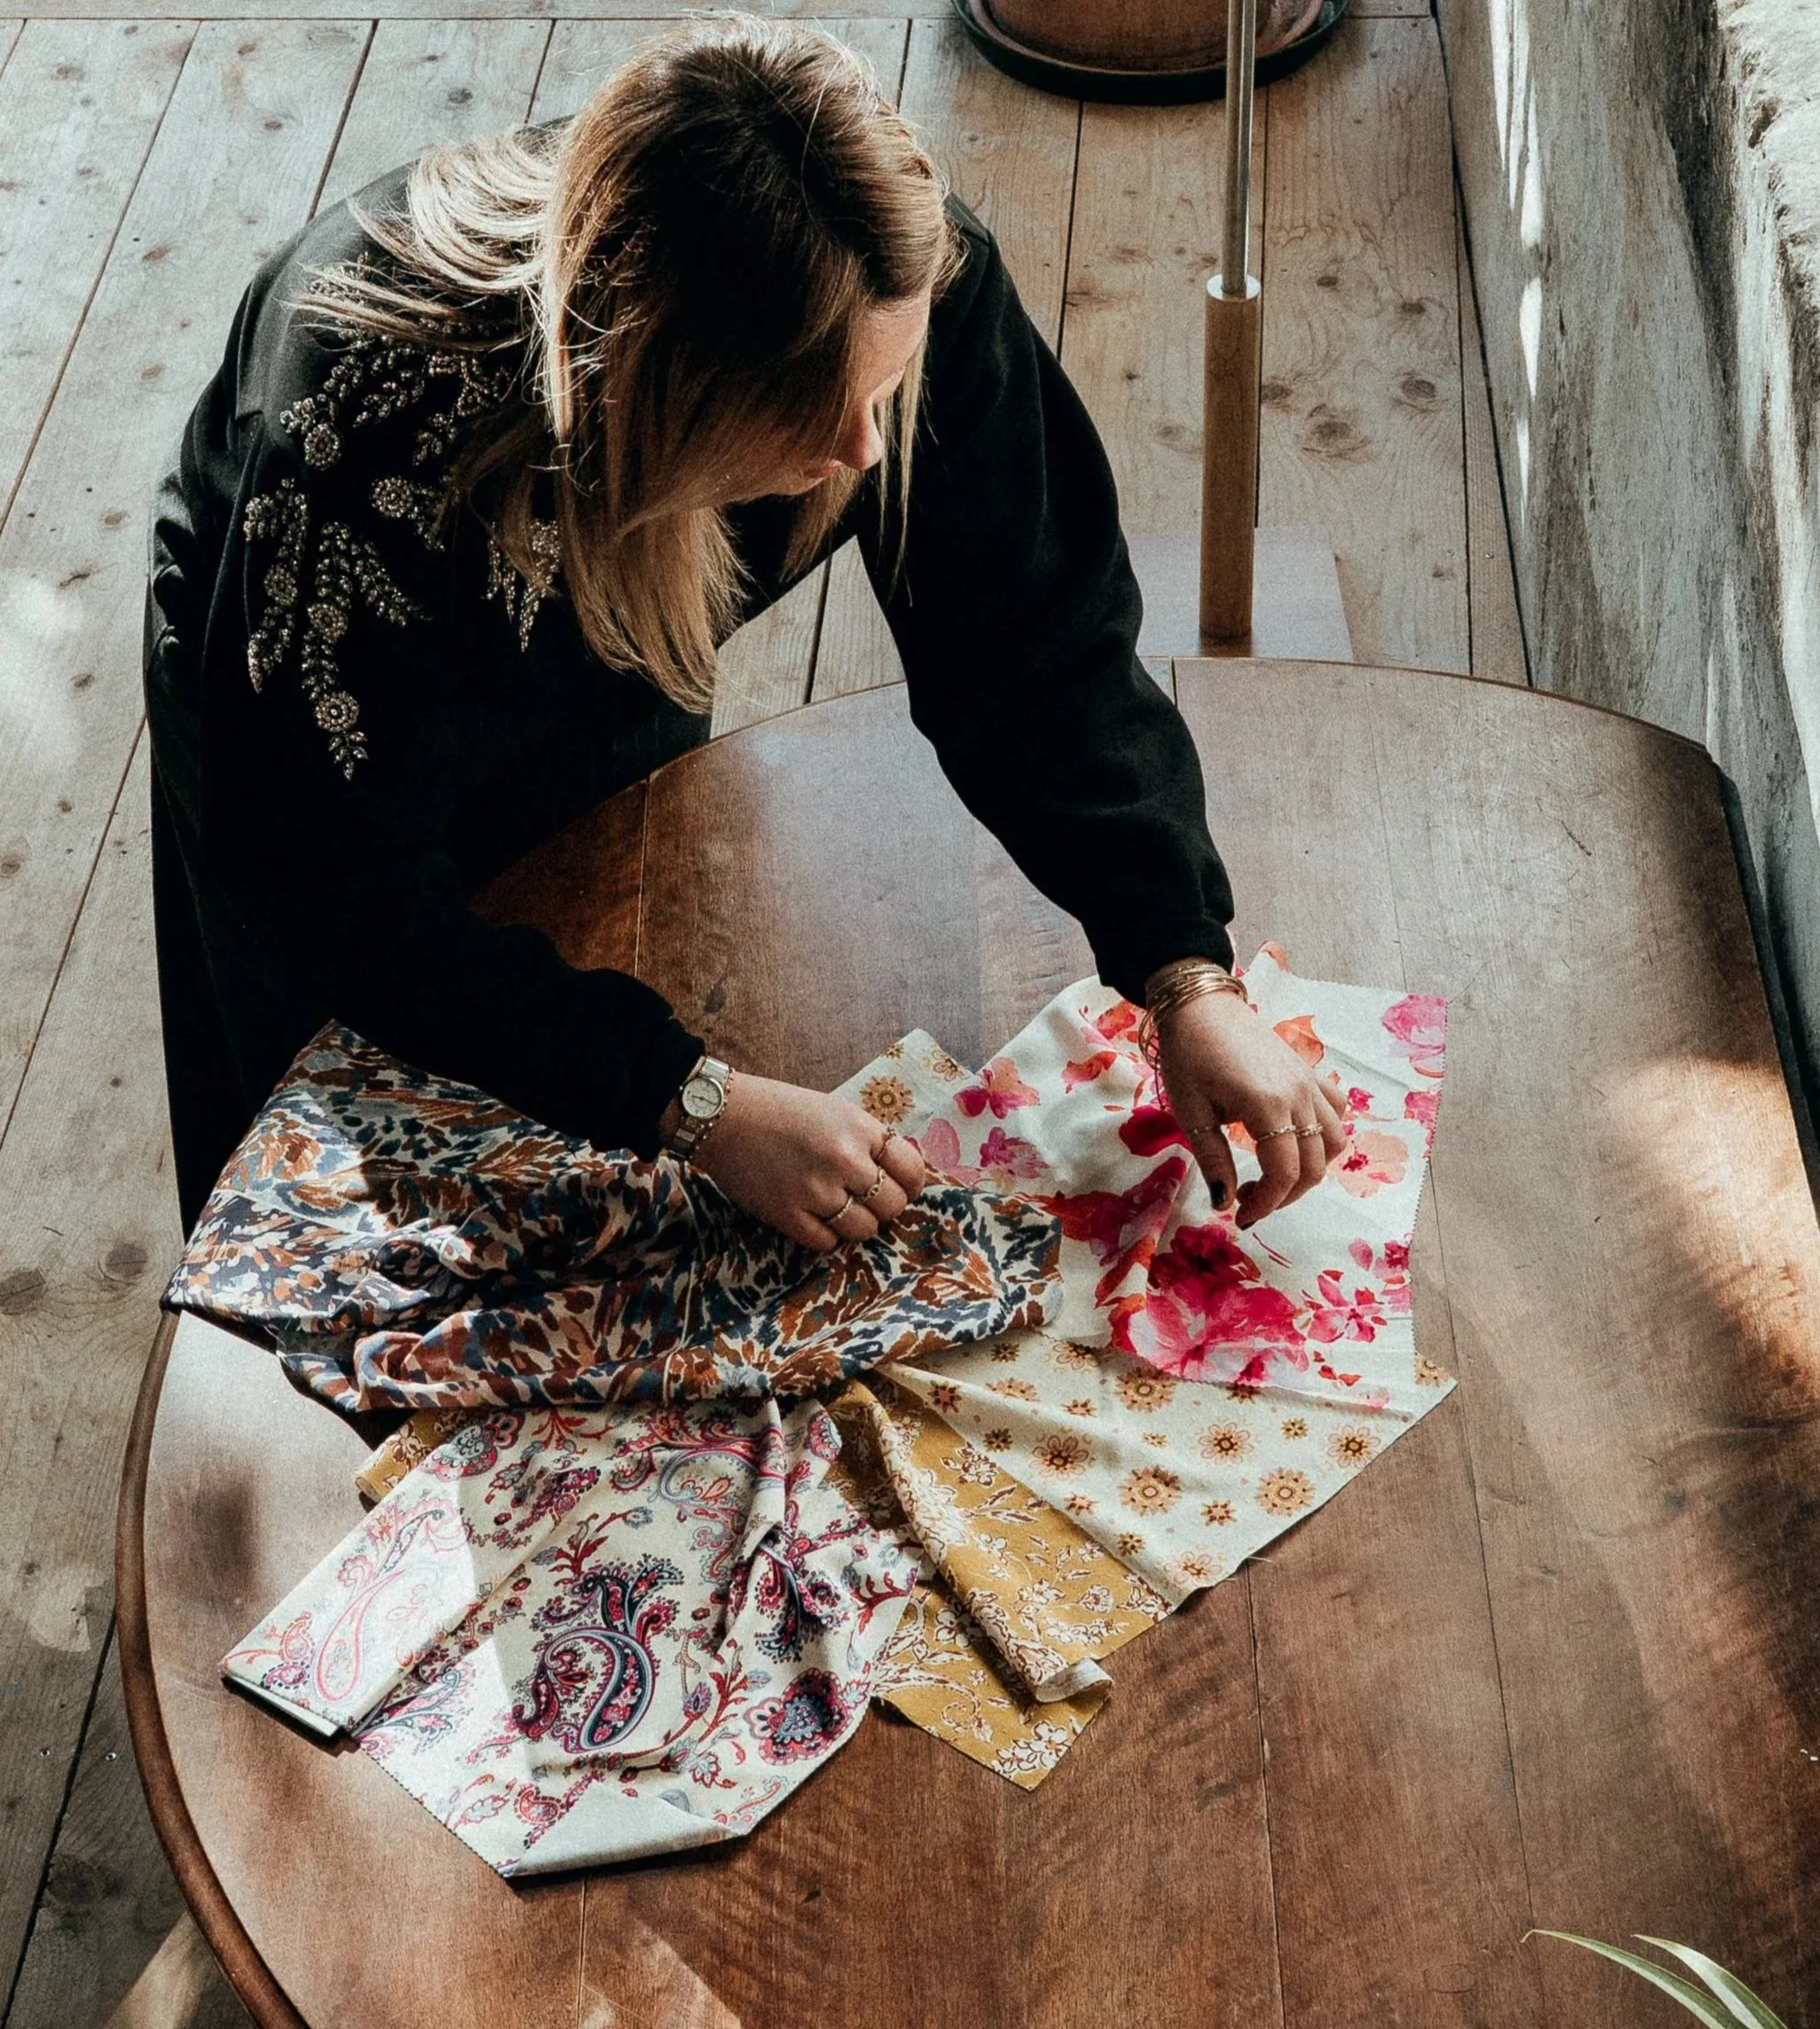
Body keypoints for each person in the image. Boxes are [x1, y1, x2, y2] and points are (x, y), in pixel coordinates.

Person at [145, 13, 1345, 1253]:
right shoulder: (357, 443)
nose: (870, 456)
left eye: (884, 396)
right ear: (665, 394)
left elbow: (1038, 645)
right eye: (819, 417)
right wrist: (690, 1099)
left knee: (611, 888)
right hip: (301, 671)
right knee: (349, 1151)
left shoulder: (901, 284)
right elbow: (332, 888)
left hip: (617, 592)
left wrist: (1181, 967)